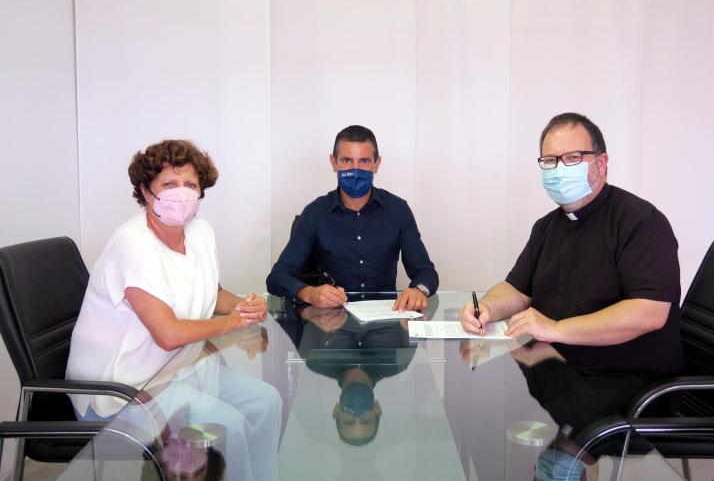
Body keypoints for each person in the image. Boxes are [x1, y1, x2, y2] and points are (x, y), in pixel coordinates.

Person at [66, 140, 281, 481]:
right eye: (168, 184)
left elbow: (211, 293)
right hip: (125, 390)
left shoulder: (200, 232)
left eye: (190, 185)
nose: (180, 194)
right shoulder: (132, 243)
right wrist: (232, 322)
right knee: (231, 425)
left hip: (178, 371)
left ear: (201, 191)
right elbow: (167, 334)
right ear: (145, 191)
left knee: (267, 400)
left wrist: (245, 307)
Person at [460, 112, 682, 408]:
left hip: (624, 384)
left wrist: (554, 328)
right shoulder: (546, 226)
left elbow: (649, 312)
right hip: (555, 367)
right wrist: (486, 308)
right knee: (472, 400)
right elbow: (517, 289)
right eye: (550, 161)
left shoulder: (640, 221)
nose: (559, 169)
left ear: (601, 163)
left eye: (573, 158)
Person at [266, 125, 438, 311]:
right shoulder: (314, 213)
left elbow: (425, 271)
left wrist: (419, 290)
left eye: (364, 161)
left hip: (385, 319)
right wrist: (309, 293)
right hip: (330, 320)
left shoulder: (398, 210)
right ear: (334, 163)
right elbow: (277, 277)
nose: (355, 170)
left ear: (376, 164)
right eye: (347, 160)